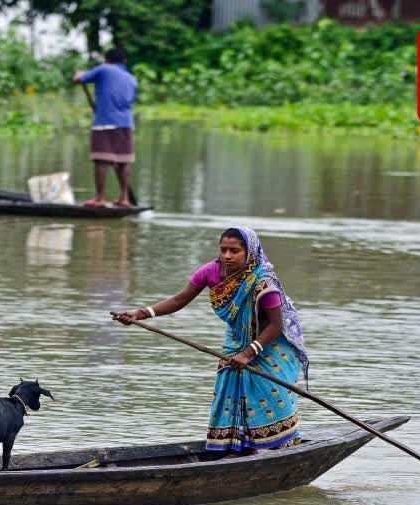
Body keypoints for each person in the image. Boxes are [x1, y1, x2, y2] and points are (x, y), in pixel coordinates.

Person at [113, 226, 310, 454]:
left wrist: (248, 353)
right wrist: (140, 313)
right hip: (237, 340)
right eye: (223, 249)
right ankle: (238, 448)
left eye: (234, 251)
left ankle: (278, 449)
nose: (227, 256)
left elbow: (277, 325)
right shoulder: (210, 272)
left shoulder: (264, 284)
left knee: (271, 396)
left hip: (271, 344)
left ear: (250, 252)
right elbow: (179, 299)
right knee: (229, 387)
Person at [73, 47, 137, 208]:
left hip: (105, 122)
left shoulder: (104, 69)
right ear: (125, 62)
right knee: (123, 161)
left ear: (106, 60)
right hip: (126, 123)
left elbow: (79, 80)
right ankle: (124, 198)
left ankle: (99, 198)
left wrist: (79, 74)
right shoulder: (131, 78)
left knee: (101, 159)